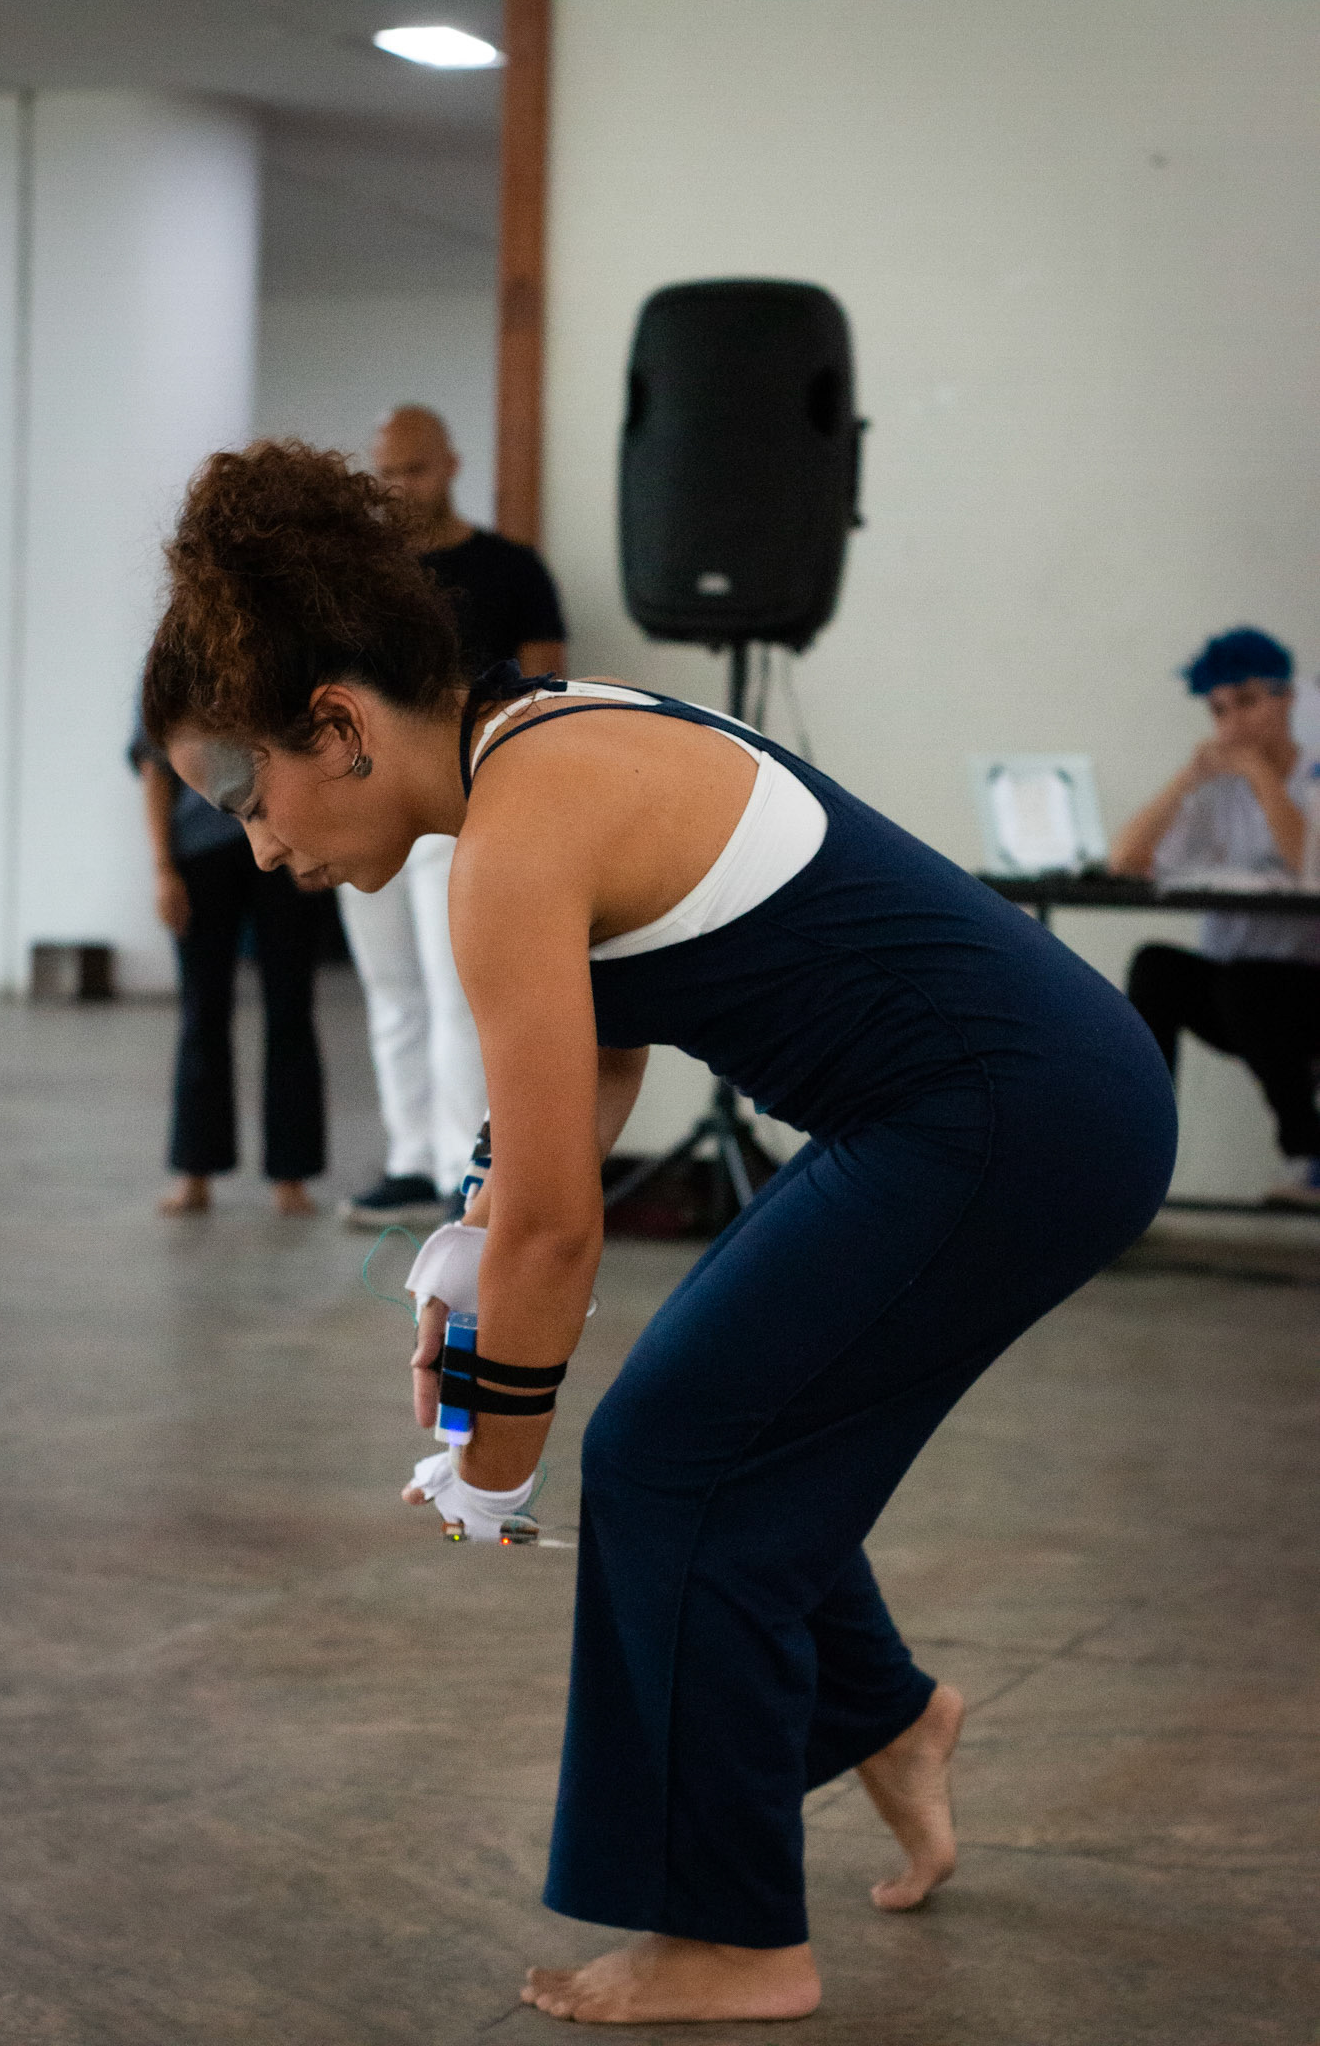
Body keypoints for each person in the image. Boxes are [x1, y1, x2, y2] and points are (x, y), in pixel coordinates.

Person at [143, 442, 1176, 2026]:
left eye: (240, 795)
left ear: (336, 727)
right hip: (1009, 1104)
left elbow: (563, 1230)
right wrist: (466, 1275)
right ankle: (882, 1718)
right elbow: (590, 1076)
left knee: (671, 1459)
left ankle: (734, 1941)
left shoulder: (512, 839)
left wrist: (489, 1466)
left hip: (1002, 1120)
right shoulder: (545, 740)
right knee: (722, 1441)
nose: (259, 847)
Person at [337, 405, 567, 1227]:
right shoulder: (361, 579)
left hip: (460, 805)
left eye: (415, 469)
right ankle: (409, 1159)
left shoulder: (510, 569)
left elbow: (543, 691)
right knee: (391, 989)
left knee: (457, 990)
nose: (401, 487)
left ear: (450, 465)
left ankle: (457, 1173)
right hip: (364, 806)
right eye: (387, 473)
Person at [1109, 627, 1320, 1209]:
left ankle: (1308, 1150)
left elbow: (1309, 861)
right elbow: (1125, 861)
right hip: (1239, 1000)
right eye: (1219, 710)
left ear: (1287, 698)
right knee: (1155, 966)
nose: (1232, 723)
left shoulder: (1313, 776)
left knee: (1247, 983)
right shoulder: (1217, 791)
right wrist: (1185, 780)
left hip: (1302, 991)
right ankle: (1135, 1159)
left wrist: (1261, 774)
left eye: (1247, 702)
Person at [130, 704, 326, 1215]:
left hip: (288, 844)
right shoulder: (164, 668)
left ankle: (292, 1174)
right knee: (202, 1010)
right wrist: (162, 869)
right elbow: (155, 768)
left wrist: (318, 842)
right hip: (198, 855)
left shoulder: (289, 657)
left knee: (291, 1008)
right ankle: (195, 1170)